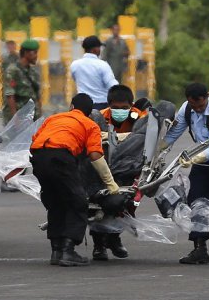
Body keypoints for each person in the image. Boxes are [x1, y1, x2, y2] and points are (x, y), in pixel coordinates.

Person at [30, 93, 121, 267]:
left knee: (57, 202)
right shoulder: (90, 125)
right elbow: (95, 156)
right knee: (77, 202)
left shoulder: (53, 118)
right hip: (60, 158)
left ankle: (56, 250)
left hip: (38, 157)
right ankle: (68, 250)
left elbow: (36, 139)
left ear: (71, 107)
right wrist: (110, 183)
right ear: (89, 112)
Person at [162, 82, 209, 265]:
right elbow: (174, 133)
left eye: (200, 105)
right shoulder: (187, 109)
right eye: (193, 106)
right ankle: (200, 247)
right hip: (200, 156)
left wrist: (194, 160)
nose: (197, 109)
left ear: (207, 96)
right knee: (196, 202)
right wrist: (159, 148)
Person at [89, 84, 146, 261]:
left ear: (132, 105)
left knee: (124, 204)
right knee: (97, 202)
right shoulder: (101, 116)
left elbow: (147, 135)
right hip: (104, 164)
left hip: (130, 166)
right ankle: (99, 245)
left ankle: (114, 238)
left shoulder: (141, 116)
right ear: (109, 105)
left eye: (124, 108)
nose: (119, 111)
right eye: (115, 108)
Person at [70, 35, 119, 110]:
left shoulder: (75, 65)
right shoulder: (102, 65)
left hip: (82, 106)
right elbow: (112, 86)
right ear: (94, 49)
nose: (100, 50)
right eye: (99, 47)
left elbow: (75, 79)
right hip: (101, 105)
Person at [2, 39, 42, 124]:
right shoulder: (12, 70)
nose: (36, 56)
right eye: (34, 53)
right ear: (26, 53)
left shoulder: (33, 72)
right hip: (20, 117)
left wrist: (40, 115)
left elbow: (37, 95)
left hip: (32, 116)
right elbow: (10, 95)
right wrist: (15, 118)